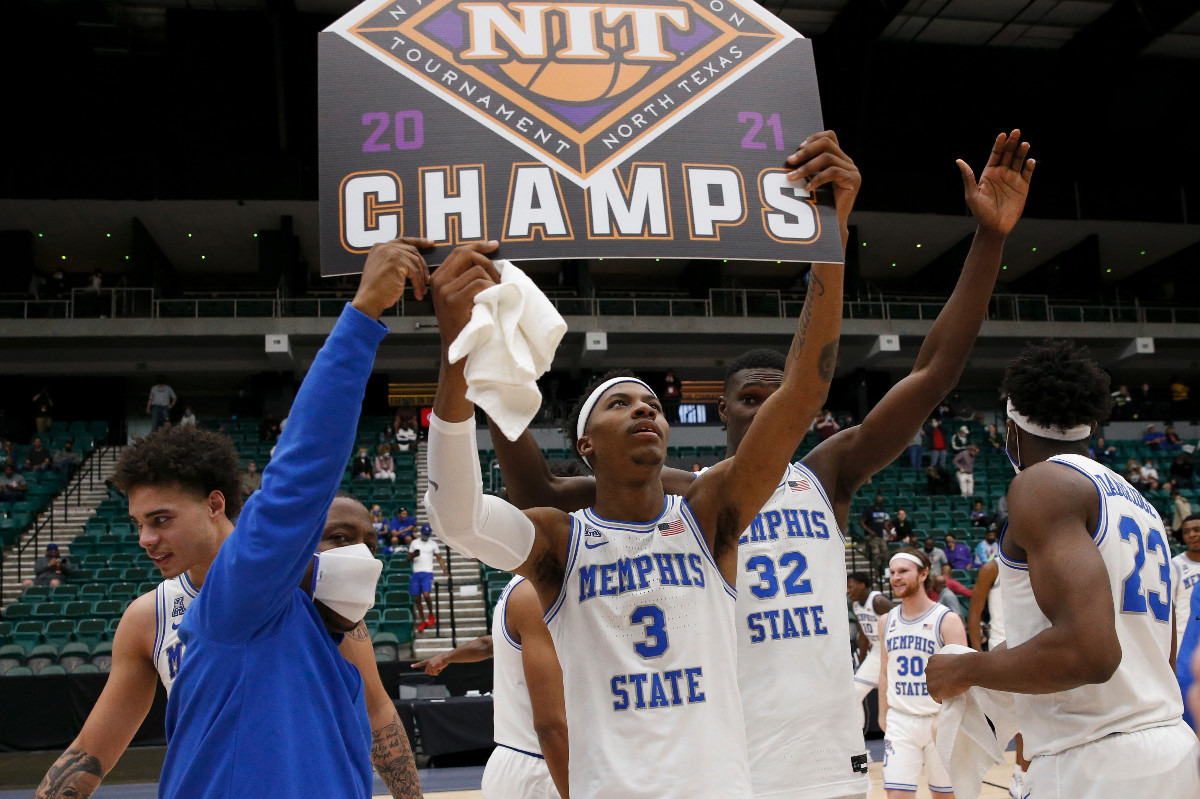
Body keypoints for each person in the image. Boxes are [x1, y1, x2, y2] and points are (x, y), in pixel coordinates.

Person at [481, 129, 1033, 799]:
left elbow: (935, 372)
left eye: (780, 397)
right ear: (725, 414)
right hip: (721, 763)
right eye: (750, 398)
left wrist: (990, 239)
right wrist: (484, 359)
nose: (769, 409)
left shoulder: (827, 474)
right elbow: (537, 489)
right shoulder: (684, 500)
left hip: (824, 759)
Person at [426, 131, 851, 799]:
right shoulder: (560, 541)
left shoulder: (710, 514)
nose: (644, 410)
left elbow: (802, 393)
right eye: (620, 403)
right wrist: (455, 356)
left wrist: (832, 239)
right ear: (586, 443)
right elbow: (455, 516)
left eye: (651, 402)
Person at [109, 239, 425, 799]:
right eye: (335, 537)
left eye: (366, 539)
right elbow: (300, 473)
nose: (359, 555)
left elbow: (377, 723)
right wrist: (363, 313)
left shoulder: (319, 623)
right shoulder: (239, 598)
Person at [33, 441, 424, 798]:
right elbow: (90, 753)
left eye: (161, 520)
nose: (145, 539)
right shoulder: (147, 617)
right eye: (139, 524)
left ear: (215, 505)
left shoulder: (315, 601)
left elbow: (377, 713)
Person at [926, 339, 1200, 797]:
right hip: (1170, 747)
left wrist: (966, 669)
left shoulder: (1042, 484)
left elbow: (1089, 652)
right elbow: (1156, 653)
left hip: (1095, 761)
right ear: (1090, 424)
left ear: (1010, 428)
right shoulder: (1143, 506)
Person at [413, 577, 569, 799]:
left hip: (513, 761)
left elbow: (489, 644)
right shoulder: (534, 592)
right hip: (539, 765)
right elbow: (550, 725)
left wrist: (447, 656)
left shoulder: (515, 591)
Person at [877, 549, 966, 798]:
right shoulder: (886, 621)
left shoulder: (947, 620)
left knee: (944, 795)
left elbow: (964, 678)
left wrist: (949, 716)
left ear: (924, 573)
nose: (896, 577)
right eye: (893, 572)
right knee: (896, 794)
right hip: (900, 721)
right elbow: (884, 671)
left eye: (904, 571)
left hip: (940, 720)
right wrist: (883, 714)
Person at [965, 558, 1030, 795]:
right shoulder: (992, 569)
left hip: (1032, 647)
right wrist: (977, 655)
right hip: (1000, 650)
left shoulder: (1041, 558)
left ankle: (1021, 774)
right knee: (1015, 719)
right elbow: (974, 612)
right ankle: (1019, 774)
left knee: (1028, 718)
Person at [849, 572, 895, 708]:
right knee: (855, 691)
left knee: (894, 695)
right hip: (876, 651)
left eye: (851, 587)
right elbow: (863, 635)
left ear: (862, 585)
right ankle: (858, 730)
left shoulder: (878, 601)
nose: (848, 591)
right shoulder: (855, 605)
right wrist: (862, 661)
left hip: (894, 650)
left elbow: (902, 621)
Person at [409, 524, 448, 632]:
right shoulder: (414, 543)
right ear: (421, 533)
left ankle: (431, 613)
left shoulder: (433, 544)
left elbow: (439, 558)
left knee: (426, 594)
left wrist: (444, 570)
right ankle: (423, 620)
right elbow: (408, 558)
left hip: (427, 572)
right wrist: (413, 555)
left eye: (427, 534)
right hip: (416, 572)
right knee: (417, 598)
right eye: (424, 534)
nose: (426, 536)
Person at [1173, 515, 1200, 656]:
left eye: (1197, 530)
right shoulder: (1175, 565)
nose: (1192, 535)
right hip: (1184, 637)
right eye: (1186, 532)